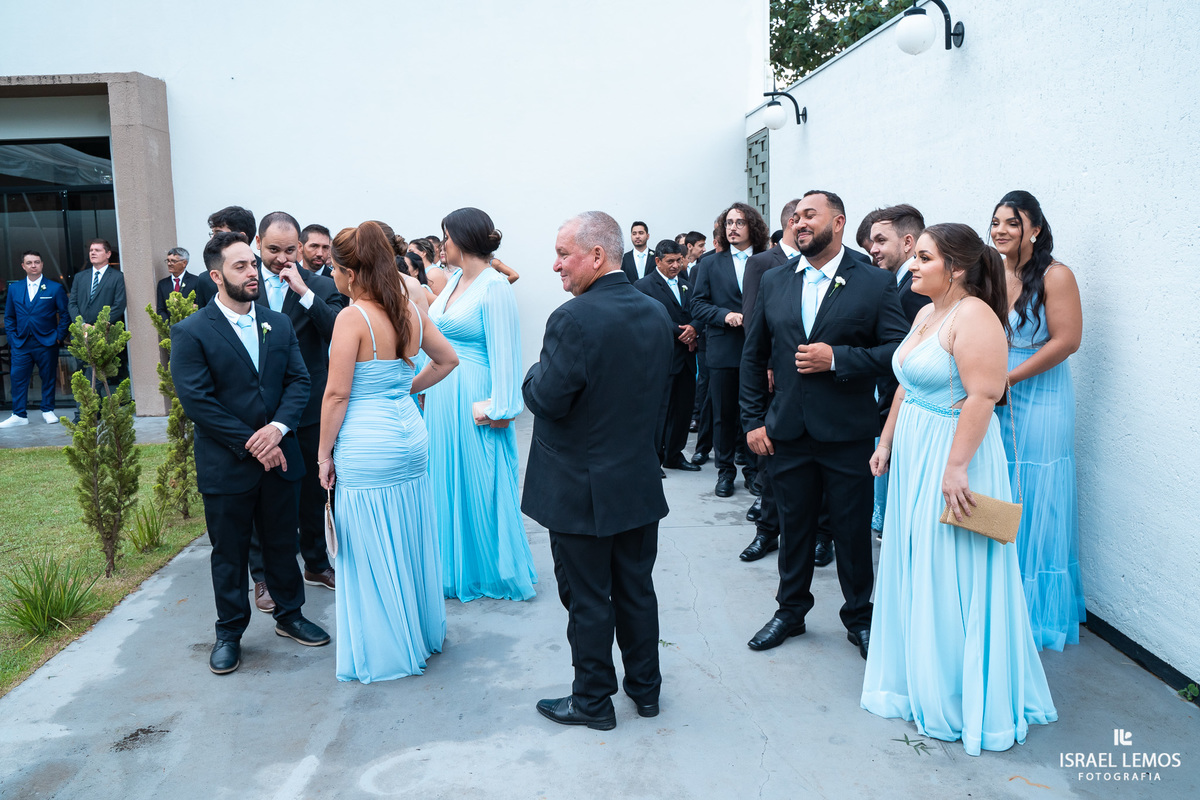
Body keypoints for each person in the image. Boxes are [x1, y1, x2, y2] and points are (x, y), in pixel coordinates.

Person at [861, 222, 1057, 755]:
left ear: (957, 268)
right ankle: (918, 677)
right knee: (917, 560)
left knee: (953, 565)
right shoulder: (926, 313)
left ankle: (957, 690)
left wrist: (955, 468)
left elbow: (984, 395)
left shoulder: (975, 316)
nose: (913, 264)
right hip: (916, 453)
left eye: (924, 257)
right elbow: (906, 384)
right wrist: (886, 442)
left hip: (955, 457)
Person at [740, 190, 907, 658]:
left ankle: (860, 617)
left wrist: (838, 359)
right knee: (793, 527)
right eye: (795, 216)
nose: (799, 222)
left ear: (838, 222)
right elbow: (753, 356)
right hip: (787, 431)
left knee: (851, 532)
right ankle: (790, 612)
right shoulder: (775, 280)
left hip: (847, 432)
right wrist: (752, 420)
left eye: (810, 214)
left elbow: (898, 351)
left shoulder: (874, 281)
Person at [524, 210, 674, 730]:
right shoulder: (655, 311)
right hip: (636, 480)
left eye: (563, 254)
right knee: (636, 589)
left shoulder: (572, 319)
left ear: (596, 255)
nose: (555, 265)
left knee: (588, 597)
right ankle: (646, 690)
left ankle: (592, 701)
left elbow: (548, 398)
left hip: (580, 489)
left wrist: (532, 373)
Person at [171, 231, 329, 675]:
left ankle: (290, 615)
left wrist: (277, 430)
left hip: (281, 456)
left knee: (282, 543)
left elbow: (299, 381)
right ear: (216, 276)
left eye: (253, 264)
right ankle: (229, 633)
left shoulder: (278, 323)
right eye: (240, 266)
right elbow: (198, 402)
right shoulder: (191, 331)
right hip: (227, 465)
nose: (252, 272)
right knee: (229, 552)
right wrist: (252, 443)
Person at [318, 221, 458, 682]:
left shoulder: (352, 318)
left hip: (368, 443)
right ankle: (418, 630)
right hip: (410, 436)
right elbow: (448, 359)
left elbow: (337, 395)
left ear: (350, 273)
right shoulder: (410, 309)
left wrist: (323, 456)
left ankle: (389, 646)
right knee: (408, 529)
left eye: (335, 269)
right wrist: (403, 391)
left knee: (370, 544)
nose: (332, 276)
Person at [425, 207, 536, 602]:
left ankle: (489, 570)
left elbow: (506, 351)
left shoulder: (494, 286)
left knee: (480, 481)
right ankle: (451, 568)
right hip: (442, 397)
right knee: (445, 481)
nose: (442, 244)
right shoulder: (455, 279)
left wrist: (501, 407)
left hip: (475, 397)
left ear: (462, 238)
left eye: (446, 236)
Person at [990, 190, 1084, 651]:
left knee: (1036, 493)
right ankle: (1001, 600)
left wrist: (1010, 377)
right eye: (996, 222)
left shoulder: (1055, 275)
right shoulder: (993, 271)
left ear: (1035, 229)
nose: (1001, 230)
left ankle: (1035, 612)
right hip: (995, 391)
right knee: (999, 485)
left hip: (1040, 394)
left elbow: (1067, 341)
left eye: (1013, 222)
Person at [247, 212, 346, 610]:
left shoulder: (322, 286)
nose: (281, 258)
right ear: (258, 243)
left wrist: (304, 292)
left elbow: (338, 330)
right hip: (256, 410)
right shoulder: (243, 283)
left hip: (308, 407)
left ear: (300, 248)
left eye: (290, 250)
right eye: (273, 249)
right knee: (260, 495)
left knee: (313, 490)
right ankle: (263, 576)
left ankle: (316, 563)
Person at [690, 202, 770, 497]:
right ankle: (725, 472)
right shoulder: (710, 263)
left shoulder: (766, 260)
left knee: (754, 413)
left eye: (739, 222)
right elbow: (697, 304)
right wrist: (725, 315)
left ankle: (753, 471)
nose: (732, 228)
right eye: (728, 223)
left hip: (758, 350)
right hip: (723, 349)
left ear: (753, 227)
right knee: (723, 415)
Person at [737, 198, 800, 558]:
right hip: (775, 373)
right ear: (793, 221)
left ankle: (820, 534)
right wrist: (768, 365)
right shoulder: (763, 263)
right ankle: (767, 527)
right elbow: (753, 318)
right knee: (773, 452)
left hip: (815, 378)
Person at [866, 204, 928, 535]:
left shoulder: (917, 292)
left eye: (880, 240)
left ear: (907, 242)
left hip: (904, 410)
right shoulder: (897, 283)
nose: (872, 248)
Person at [635, 239, 700, 472]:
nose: (675, 266)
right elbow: (646, 318)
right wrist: (681, 332)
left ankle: (674, 454)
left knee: (683, 409)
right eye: (670, 261)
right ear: (658, 261)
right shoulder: (643, 286)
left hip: (687, 358)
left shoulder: (687, 285)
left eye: (679, 261)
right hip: (661, 358)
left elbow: (699, 310)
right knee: (659, 410)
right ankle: (654, 458)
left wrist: (694, 328)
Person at [2, 250, 69, 428]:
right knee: (18, 377)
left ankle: (47, 410)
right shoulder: (14, 289)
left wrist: (58, 337)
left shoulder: (55, 288)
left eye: (37, 262)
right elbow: (9, 317)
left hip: (47, 341)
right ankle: (19, 414)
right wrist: (12, 338)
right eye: (29, 263)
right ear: (23, 266)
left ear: (42, 264)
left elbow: (65, 315)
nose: (33, 265)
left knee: (48, 377)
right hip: (21, 342)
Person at [68, 238, 128, 385]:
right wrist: (82, 324)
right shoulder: (80, 277)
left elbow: (119, 305)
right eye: (91, 250)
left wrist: (99, 326)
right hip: (82, 334)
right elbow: (72, 303)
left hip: (105, 333)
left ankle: (100, 400)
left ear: (108, 254)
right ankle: (87, 401)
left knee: (100, 378)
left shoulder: (117, 277)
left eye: (97, 250)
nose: (92, 253)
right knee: (82, 375)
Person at [156, 247, 213, 320]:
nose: (169, 264)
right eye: (168, 261)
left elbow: (201, 305)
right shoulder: (162, 284)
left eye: (173, 261)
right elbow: (161, 309)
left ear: (184, 263)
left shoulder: (196, 281)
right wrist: (170, 325)